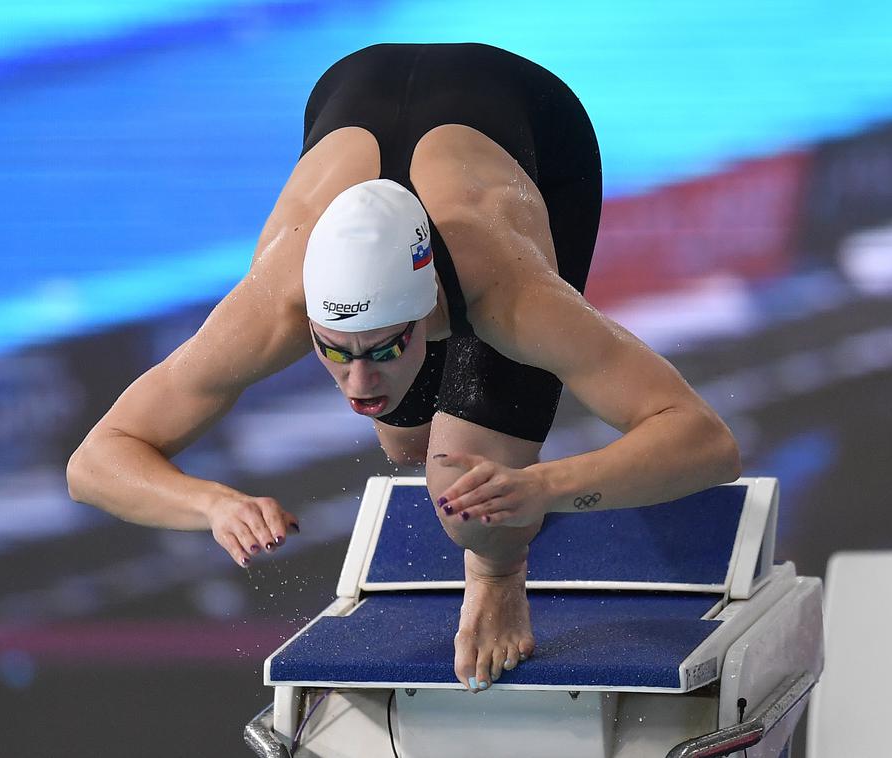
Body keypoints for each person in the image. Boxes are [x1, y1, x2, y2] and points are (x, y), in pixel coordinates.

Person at [67, 43, 740, 694]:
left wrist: (544, 486)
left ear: (431, 313)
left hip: (531, 119)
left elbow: (707, 442)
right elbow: (92, 463)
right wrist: (210, 504)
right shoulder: (272, 304)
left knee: (471, 507)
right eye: (334, 350)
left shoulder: (511, 296)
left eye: (383, 349)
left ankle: (499, 576)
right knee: (404, 442)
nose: (358, 384)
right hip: (356, 84)